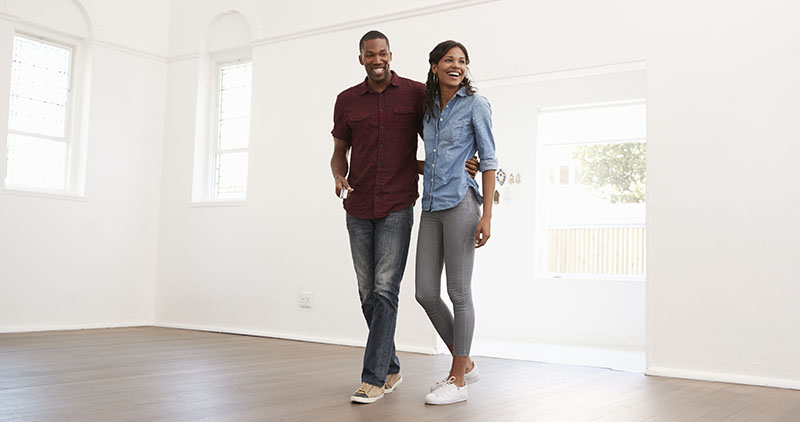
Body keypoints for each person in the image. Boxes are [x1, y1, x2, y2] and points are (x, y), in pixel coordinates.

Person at [330, 31, 478, 404]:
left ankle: (374, 377)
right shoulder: (346, 101)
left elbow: (438, 136)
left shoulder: (414, 95)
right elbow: (339, 151)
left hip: (398, 203)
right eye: (369, 54)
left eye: (382, 53)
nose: (377, 59)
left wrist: (458, 165)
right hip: (358, 205)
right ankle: (392, 365)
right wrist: (337, 173)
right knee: (368, 294)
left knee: (385, 290)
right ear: (360, 58)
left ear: (390, 55)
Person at [414, 40, 498, 405]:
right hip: (431, 205)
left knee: (458, 292)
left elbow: (490, 159)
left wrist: (487, 215)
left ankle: (458, 379)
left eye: (462, 61)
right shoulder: (428, 108)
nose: (456, 65)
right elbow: (429, 158)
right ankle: (467, 363)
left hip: (462, 204)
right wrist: (441, 165)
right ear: (434, 66)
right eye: (448, 60)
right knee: (425, 293)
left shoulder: (476, 104)